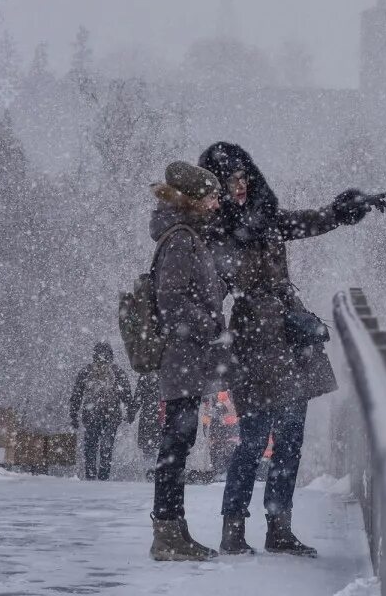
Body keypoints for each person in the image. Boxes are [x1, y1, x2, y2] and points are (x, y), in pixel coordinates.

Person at [197, 142, 386, 557]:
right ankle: (234, 529)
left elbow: (310, 221)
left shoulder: (266, 220)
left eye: (244, 176)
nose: (241, 185)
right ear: (216, 185)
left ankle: (278, 527)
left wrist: (344, 209)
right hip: (252, 341)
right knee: (251, 441)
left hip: (288, 339)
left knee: (289, 441)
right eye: (231, 180)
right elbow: (211, 291)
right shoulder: (215, 235)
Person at [148, 160, 228, 562]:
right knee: (176, 444)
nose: (217, 203)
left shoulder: (188, 236)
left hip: (186, 357)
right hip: (182, 357)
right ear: (194, 200)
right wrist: (213, 323)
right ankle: (167, 534)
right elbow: (172, 301)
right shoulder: (182, 240)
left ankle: (173, 531)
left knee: (179, 442)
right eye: (212, 196)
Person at [69, 342, 135, 481]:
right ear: (111, 356)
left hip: (91, 414)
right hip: (112, 415)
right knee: (106, 446)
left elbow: (76, 396)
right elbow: (127, 395)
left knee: (90, 447)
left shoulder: (86, 371)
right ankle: (103, 477)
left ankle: (90, 476)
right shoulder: (117, 371)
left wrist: (74, 415)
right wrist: (130, 413)